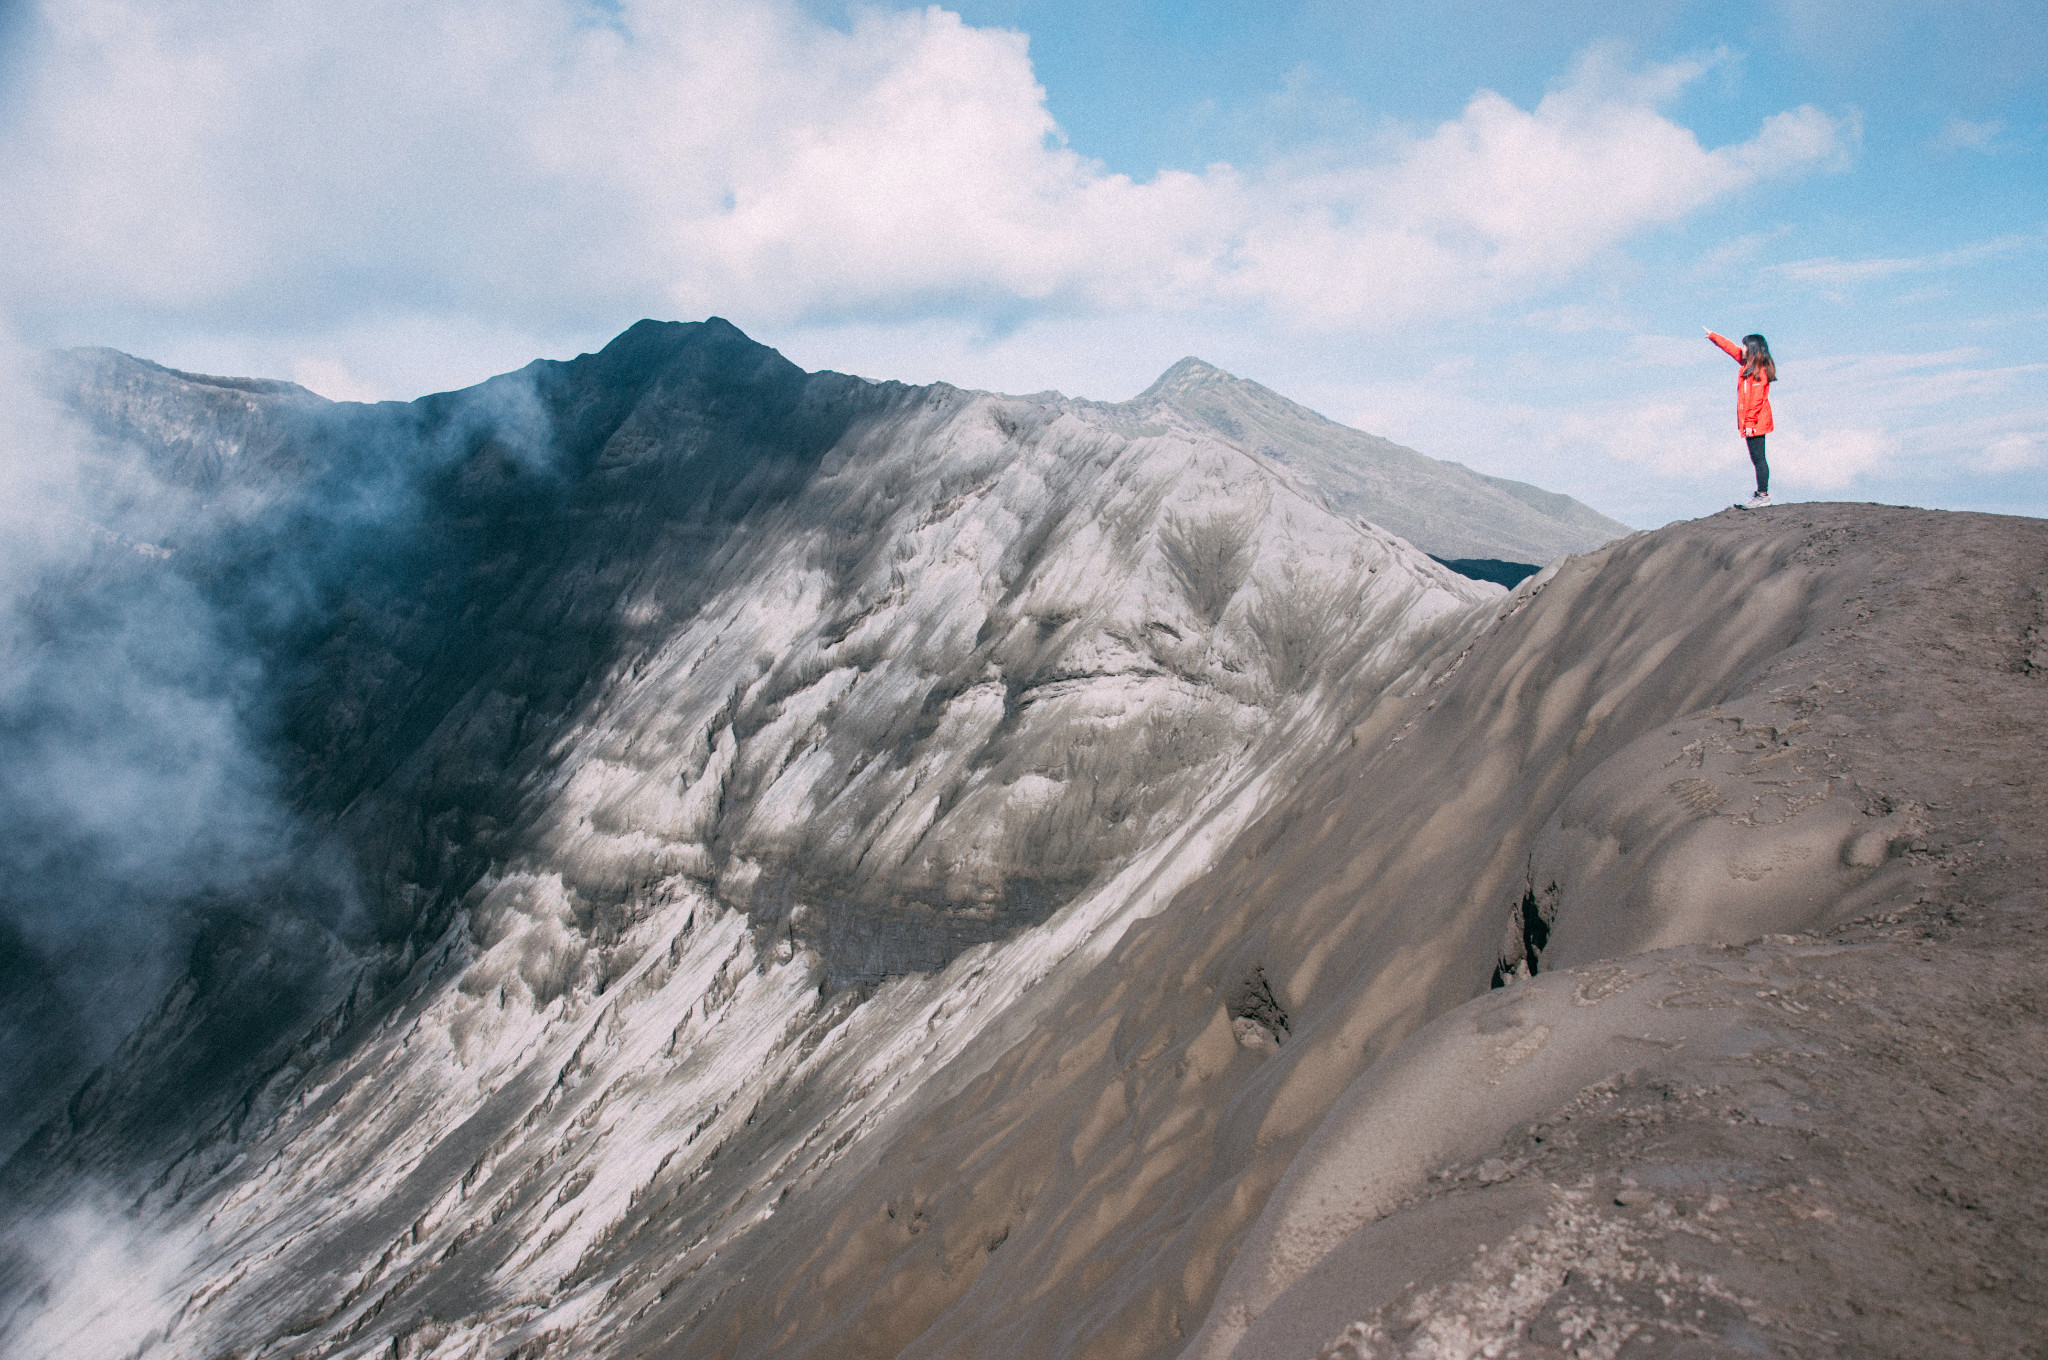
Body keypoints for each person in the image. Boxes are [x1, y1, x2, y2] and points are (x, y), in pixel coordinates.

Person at [1705, 328, 1776, 508]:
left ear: (1753, 349)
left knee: (1759, 459)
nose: (1742, 349)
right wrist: (1714, 337)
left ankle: (1763, 495)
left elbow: (1757, 399)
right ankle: (1761, 494)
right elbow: (1731, 349)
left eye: (1745, 346)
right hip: (1751, 422)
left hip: (1756, 422)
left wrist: (1750, 422)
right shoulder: (1748, 366)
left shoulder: (1759, 372)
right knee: (1756, 458)